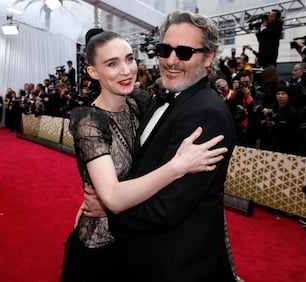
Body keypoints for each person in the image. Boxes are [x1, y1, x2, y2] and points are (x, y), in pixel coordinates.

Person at [60, 30, 229, 282]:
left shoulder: (139, 101)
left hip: (140, 240)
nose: (126, 70)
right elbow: (114, 198)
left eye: (129, 58)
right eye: (112, 64)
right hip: (101, 243)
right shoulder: (87, 120)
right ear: (93, 72)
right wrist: (177, 166)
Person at [104, 11, 238, 281]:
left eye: (184, 52)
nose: (171, 61)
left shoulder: (206, 114)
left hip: (176, 264)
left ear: (208, 57)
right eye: (165, 50)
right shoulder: (165, 97)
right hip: (147, 254)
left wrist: (110, 210)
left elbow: (167, 208)